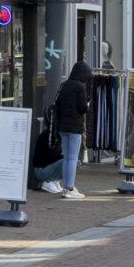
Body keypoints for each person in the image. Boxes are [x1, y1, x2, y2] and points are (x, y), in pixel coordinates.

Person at [39, 59, 93, 199]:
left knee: (67, 157)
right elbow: (82, 108)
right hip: (75, 127)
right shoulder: (80, 87)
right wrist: (88, 104)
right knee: (73, 158)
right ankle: (69, 188)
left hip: (62, 127)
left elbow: (59, 105)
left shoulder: (64, 85)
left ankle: (66, 187)